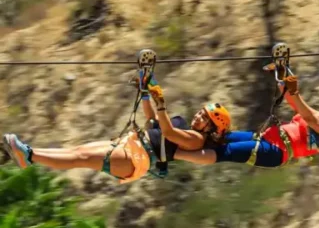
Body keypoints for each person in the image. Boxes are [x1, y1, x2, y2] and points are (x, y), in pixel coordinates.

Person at [2, 79, 232, 184]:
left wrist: (161, 103)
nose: (198, 117)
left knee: (80, 158)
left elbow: (169, 134)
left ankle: (28, 155)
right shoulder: (182, 122)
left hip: (137, 157)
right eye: (201, 112)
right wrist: (144, 93)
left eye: (205, 118)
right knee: (78, 150)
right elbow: (152, 120)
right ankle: (25, 154)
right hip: (132, 145)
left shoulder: (196, 140)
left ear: (211, 129)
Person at [175, 73, 319, 168]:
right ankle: (180, 138)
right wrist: (283, 76)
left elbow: (306, 116)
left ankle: (176, 153)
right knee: (220, 137)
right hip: (266, 139)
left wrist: (293, 90)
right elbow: (296, 104)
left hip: (277, 151)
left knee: (224, 152)